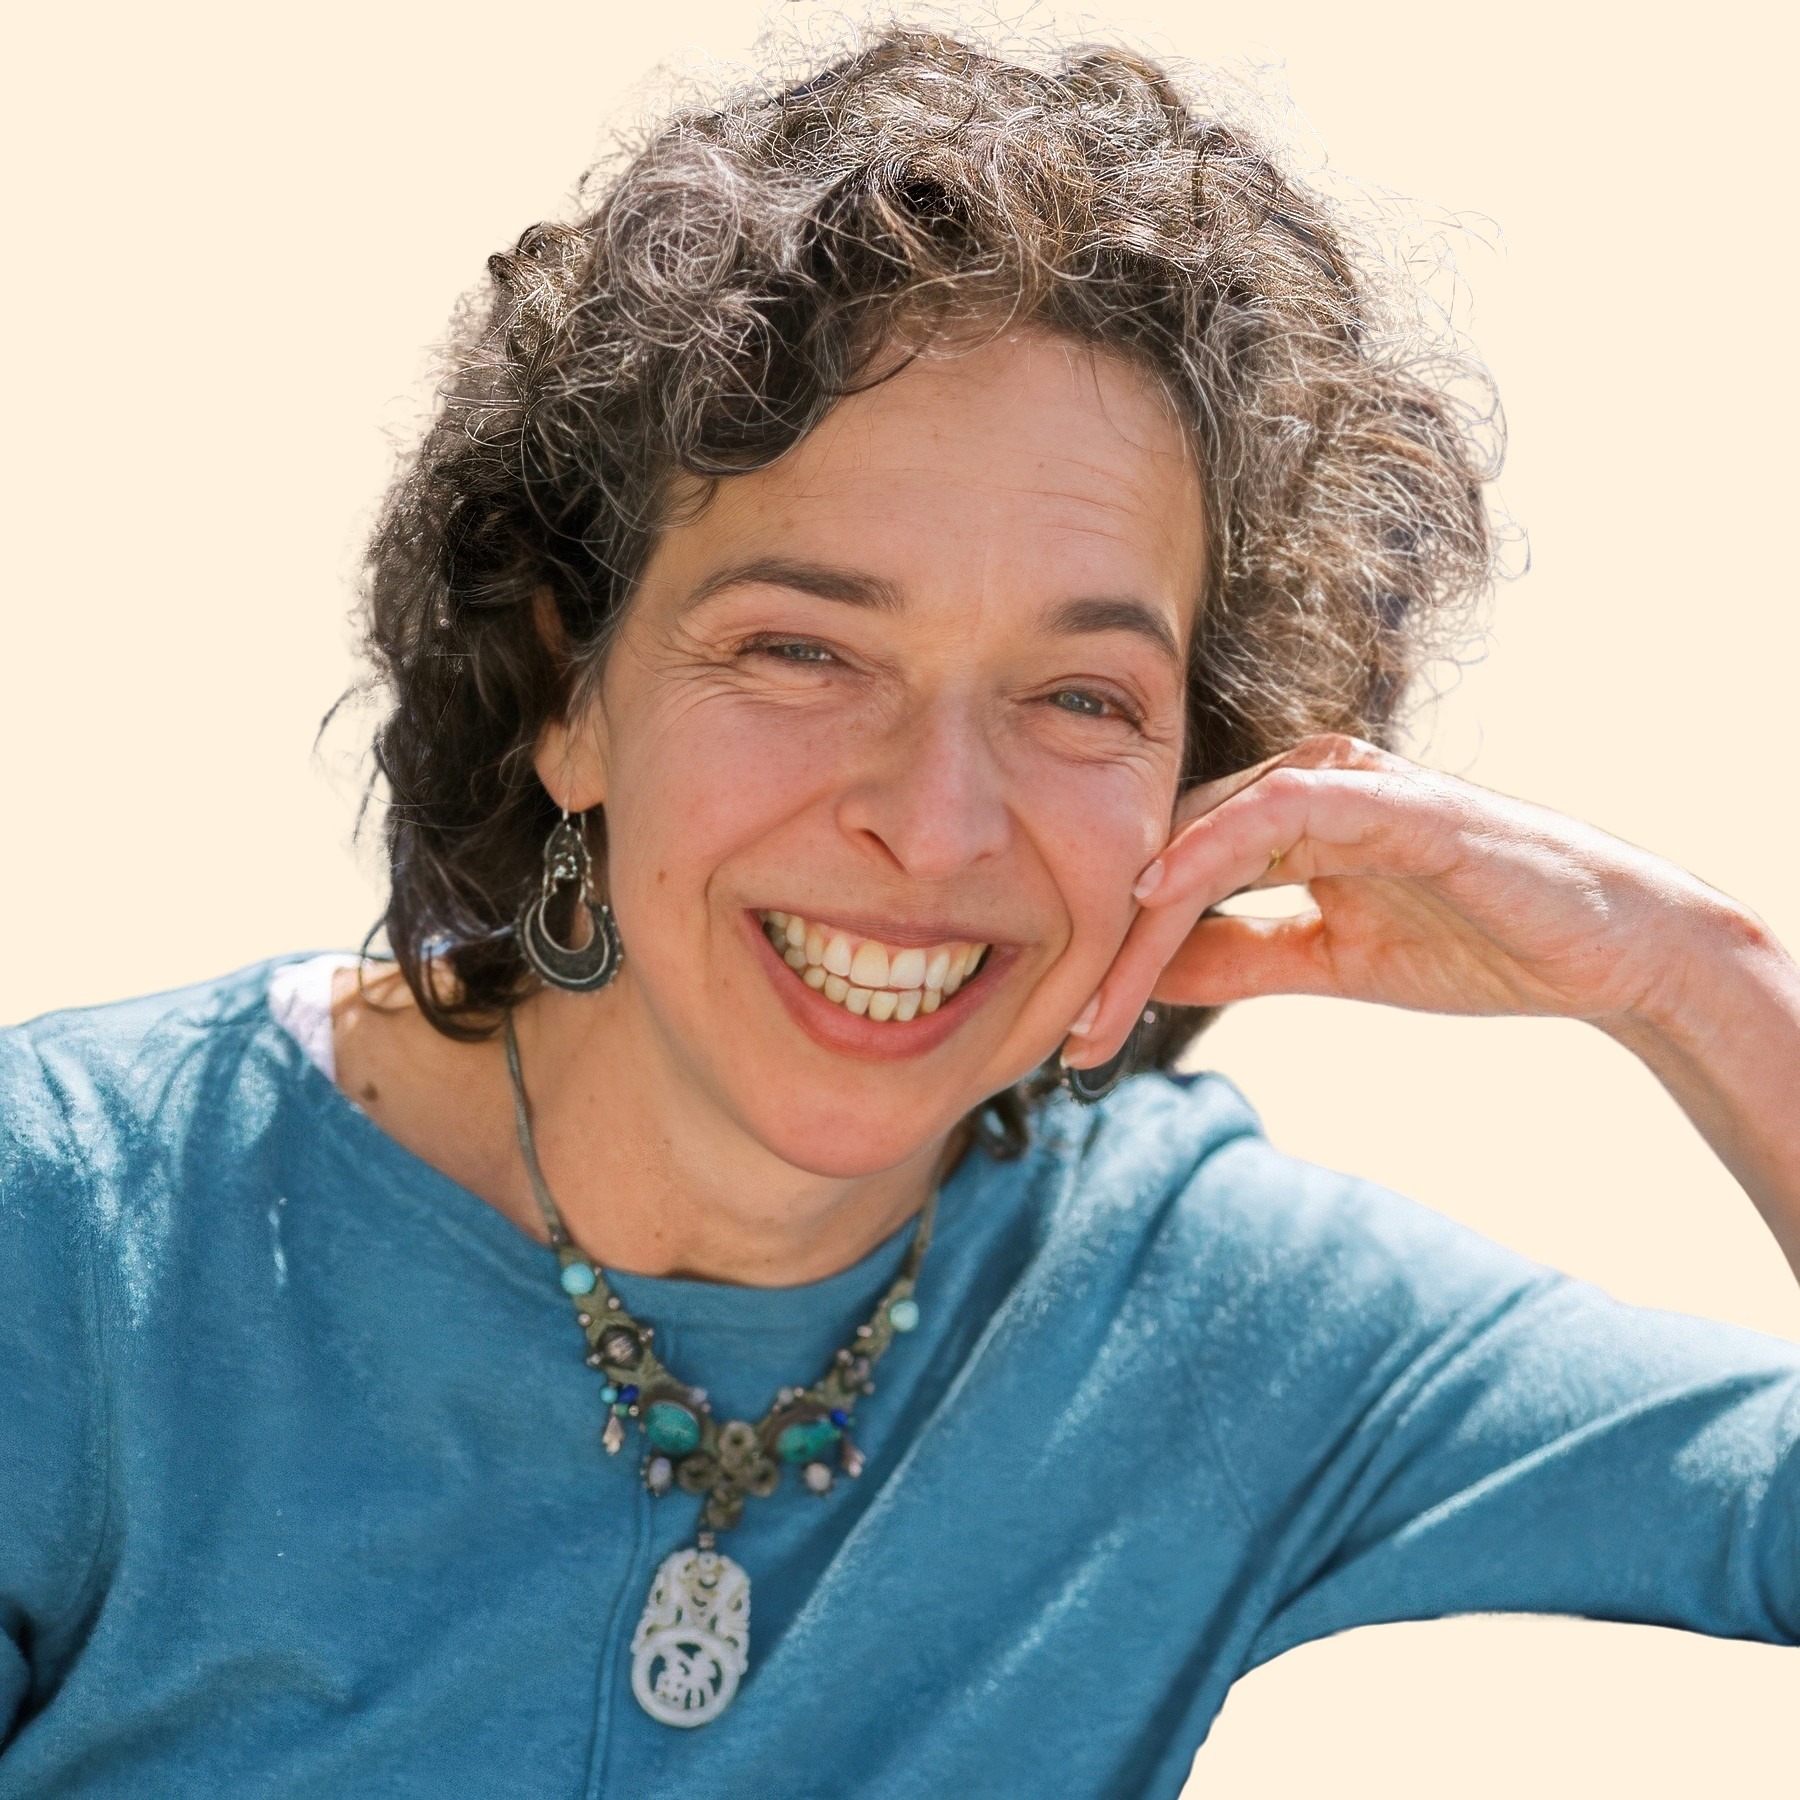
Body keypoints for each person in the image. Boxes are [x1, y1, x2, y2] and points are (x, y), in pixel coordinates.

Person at [2, 27, 1794, 1800]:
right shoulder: (76, 1235)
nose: (936, 827)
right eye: (804, 650)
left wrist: (1692, 978)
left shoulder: (1211, 1316)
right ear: (566, 690)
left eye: (1080, 697)